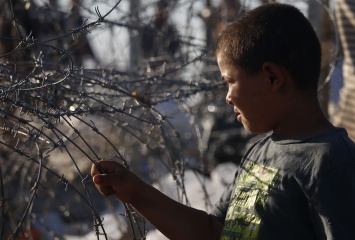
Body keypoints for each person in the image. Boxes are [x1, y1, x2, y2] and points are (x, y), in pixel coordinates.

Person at [91, 3, 355, 240]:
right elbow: (214, 232)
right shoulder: (261, 153)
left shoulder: (331, 163)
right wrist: (135, 192)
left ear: (272, 77)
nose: (227, 98)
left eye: (230, 81)